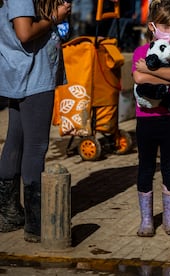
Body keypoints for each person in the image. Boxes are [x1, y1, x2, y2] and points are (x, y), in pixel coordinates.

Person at [0, 0, 71, 242]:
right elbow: (24, 32)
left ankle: (9, 213)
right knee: (35, 146)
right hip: (32, 74)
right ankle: (35, 222)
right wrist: (55, 16)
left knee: (16, 140)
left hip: (21, 72)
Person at [131, 0, 170, 237]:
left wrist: (149, 71)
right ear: (153, 26)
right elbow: (138, 79)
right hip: (145, 119)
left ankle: (169, 218)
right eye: (167, 27)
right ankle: (146, 219)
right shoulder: (139, 51)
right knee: (145, 168)